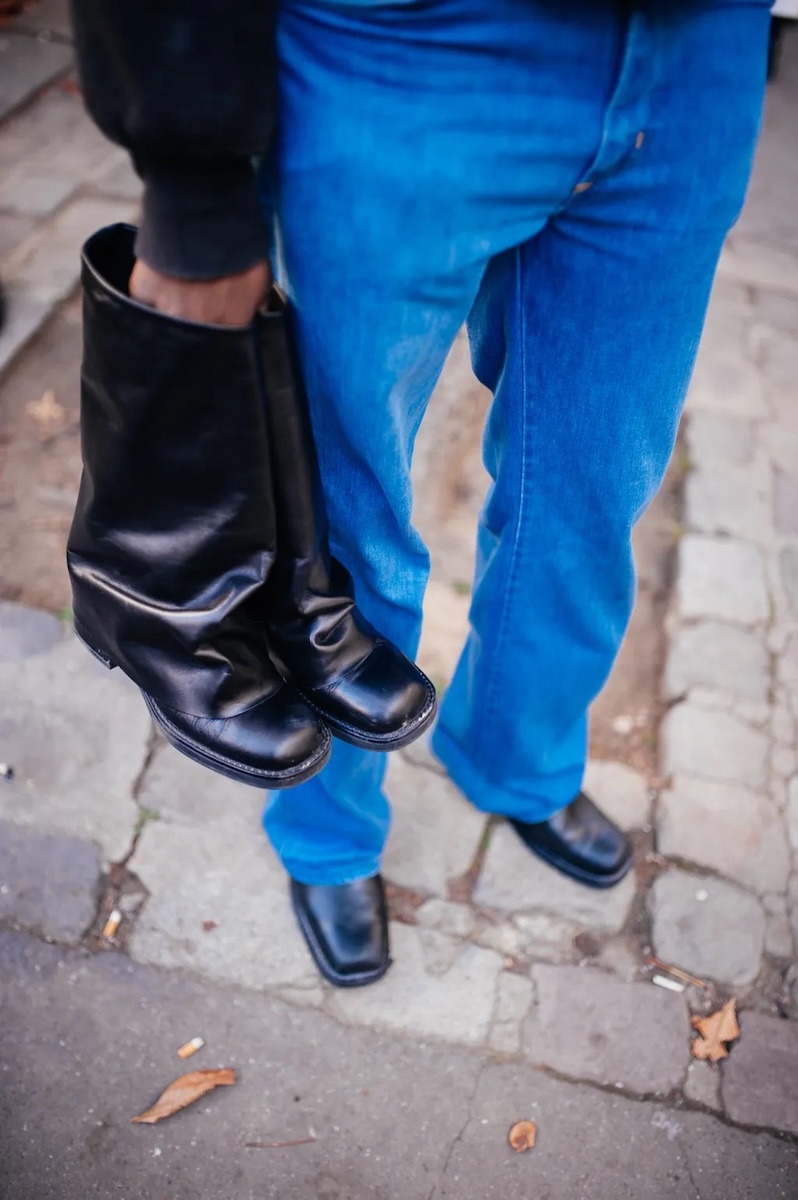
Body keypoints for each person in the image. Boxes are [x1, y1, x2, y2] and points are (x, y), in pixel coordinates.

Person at [69, 0, 770, 988]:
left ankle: (517, 761)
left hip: (699, 57)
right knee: (340, 519)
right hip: (408, 47)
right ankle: (330, 831)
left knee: (592, 490)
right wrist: (193, 178)